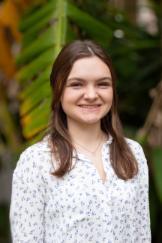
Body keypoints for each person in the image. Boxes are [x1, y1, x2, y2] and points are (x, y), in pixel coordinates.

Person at [10, 40, 151, 243]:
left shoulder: (132, 153)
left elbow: (141, 235)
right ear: (58, 90)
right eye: (77, 84)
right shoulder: (35, 162)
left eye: (102, 84)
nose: (92, 95)